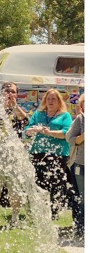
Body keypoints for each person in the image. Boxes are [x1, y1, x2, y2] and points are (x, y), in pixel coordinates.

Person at [25, 89, 72, 220]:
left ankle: (54, 212)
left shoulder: (65, 115)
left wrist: (49, 132)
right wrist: (33, 130)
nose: (50, 101)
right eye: (48, 99)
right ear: (44, 100)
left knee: (56, 183)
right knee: (38, 182)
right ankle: (39, 210)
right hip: (38, 153)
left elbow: (66, 133)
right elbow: (26, 130)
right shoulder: (38, 114)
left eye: (53, 99)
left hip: (58, 154)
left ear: (59, 101)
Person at [0, 82, 29, 228]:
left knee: (15, 188)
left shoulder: (17, 110)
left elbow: (26, 122)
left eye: (12, 91)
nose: (9, 94)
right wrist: (4, 106)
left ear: (17, 94)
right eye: (7, 91)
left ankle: (15, 218)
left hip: (13, 156)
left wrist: (14, 105)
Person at [66, 94, 84, 240]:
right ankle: (81, 229)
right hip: (81, 165)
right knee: (82, 198)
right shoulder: (81, 119)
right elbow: (70, 139)